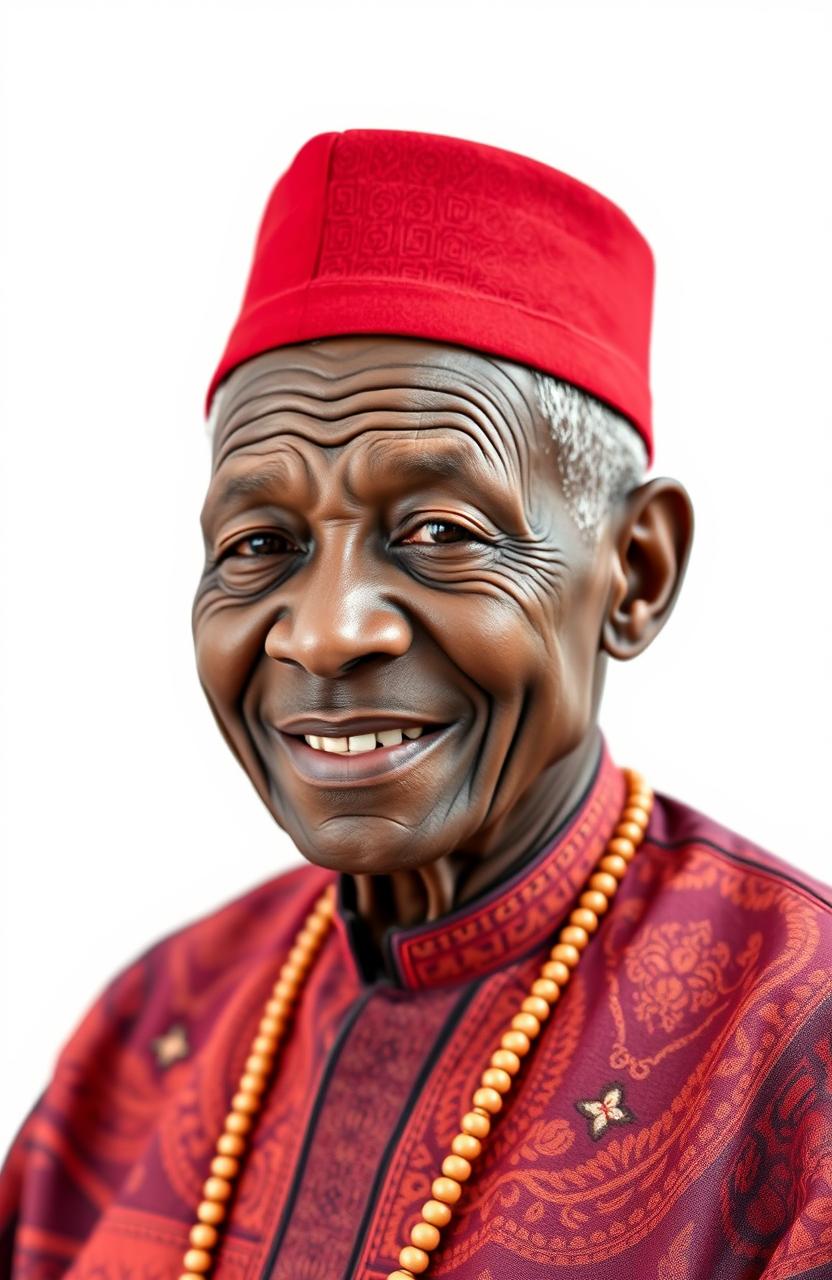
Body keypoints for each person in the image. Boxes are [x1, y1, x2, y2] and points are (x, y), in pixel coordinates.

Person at [1, 129, 830, 1280]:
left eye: (440, 532)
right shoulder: (144, 1034)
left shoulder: (799, 1039)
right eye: (261, 544)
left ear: (634, 570)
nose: (328, 628)